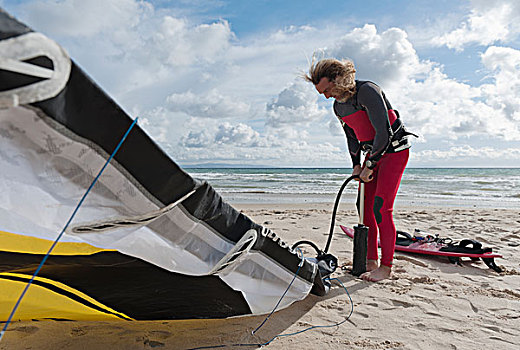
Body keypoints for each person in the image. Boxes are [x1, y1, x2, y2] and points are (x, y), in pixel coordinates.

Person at [305, 58, 414, 282]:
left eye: (328, 89)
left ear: (339, 79)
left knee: (381, 208)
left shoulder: (368, 91)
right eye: (321, 93)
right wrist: (356, 165)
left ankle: (386, 267)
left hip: (393, 152)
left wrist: (370, 164)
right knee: (363, 207)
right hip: (372, 155)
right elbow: (352, 138)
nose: (326, 96)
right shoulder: (339, 107)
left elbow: (383, 133)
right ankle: (370, 261)